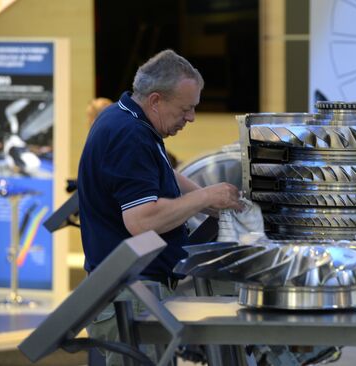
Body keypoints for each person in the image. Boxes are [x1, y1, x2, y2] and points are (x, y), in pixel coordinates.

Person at [77, 49, 243, 365]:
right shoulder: (128, 134)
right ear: (156, 100)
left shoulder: (127, 117)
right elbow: (141, 221)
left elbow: (160, 170)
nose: (192, 117)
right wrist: (205, 197)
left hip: (135, 289)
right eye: (187, 108)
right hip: (128, 295)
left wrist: (214, 204)